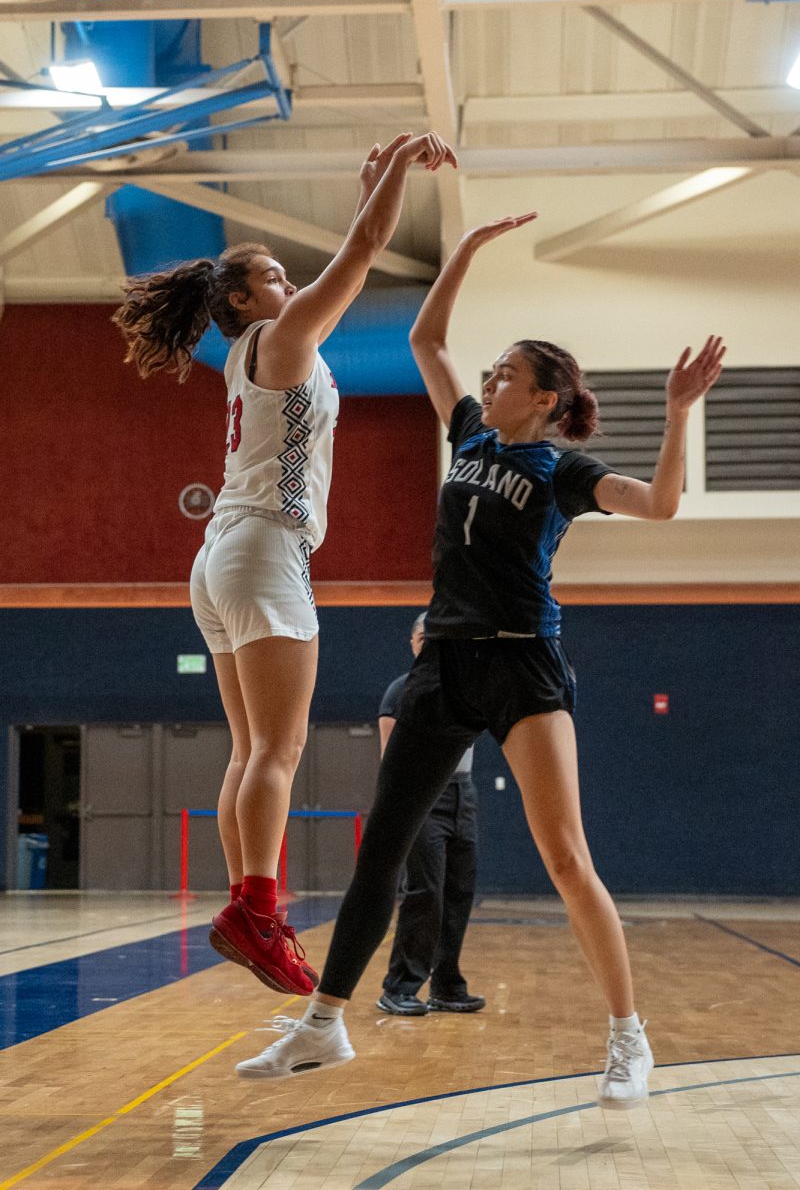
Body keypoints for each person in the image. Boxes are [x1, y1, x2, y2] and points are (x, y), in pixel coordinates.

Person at [232, 211, 725, 1109]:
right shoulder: (468, 434)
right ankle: (324, 1023)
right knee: (381, 846)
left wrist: (678, 412)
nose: (491, 378)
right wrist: (461, 252)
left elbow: (659, 505)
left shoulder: (563, 471)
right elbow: (426, 336)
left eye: (509, 373)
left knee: (566, 857)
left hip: (526, 668)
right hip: (444, 664)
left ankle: (628, 1038)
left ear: (545, 398)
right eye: (491, 368)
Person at [112, 131, 457, 998]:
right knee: (280, 745)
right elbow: (366, 251)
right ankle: (258, 912)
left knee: (251, 747)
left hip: (223, 554)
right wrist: (394, 172)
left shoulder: (250, 355)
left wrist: (374, 173)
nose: (290, 281)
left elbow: (353, 249)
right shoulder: (281, 338)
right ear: (240, 298)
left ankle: (248, 906)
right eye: (272, 273)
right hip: (265, 546)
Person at [377, 612, 484, 1016]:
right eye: (425, 637)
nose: (432, 644)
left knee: (459, 892)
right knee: (426, 892)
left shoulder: (465, 689)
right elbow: (390, 760)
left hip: (463, 794)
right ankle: (399, 987)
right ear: (413, 642)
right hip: (419, 796)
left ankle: (446, 984)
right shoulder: (399, 692)